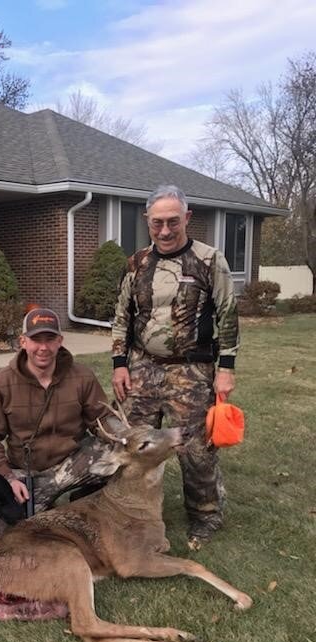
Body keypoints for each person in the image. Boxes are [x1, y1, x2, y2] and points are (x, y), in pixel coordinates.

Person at [111, 185, 239, 547]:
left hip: (192, 371)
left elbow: (228, 316)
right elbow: (121, 317)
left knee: (196, 449)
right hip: (141, 369)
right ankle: (129, 511)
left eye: (172, 222)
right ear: (147, 222)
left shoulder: (210, 260)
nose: (165, 231)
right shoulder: (136, 263)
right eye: (157, 224)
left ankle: (205, 514)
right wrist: (120, 364)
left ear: (187, 218)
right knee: (131, 444)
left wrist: (225, 369)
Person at [0, 307, 108, 534]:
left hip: (71, 464)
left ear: (60, 341)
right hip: (26, 471)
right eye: (36, 340)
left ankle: (84, 504)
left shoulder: (83, 377)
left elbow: (102, 421)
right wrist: (8, 478)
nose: (44, 348)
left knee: (117, 459)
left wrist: (126, 439)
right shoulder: (1, 384)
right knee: (2, 533)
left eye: (50, 339)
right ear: (23, 342)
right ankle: (50, 503)